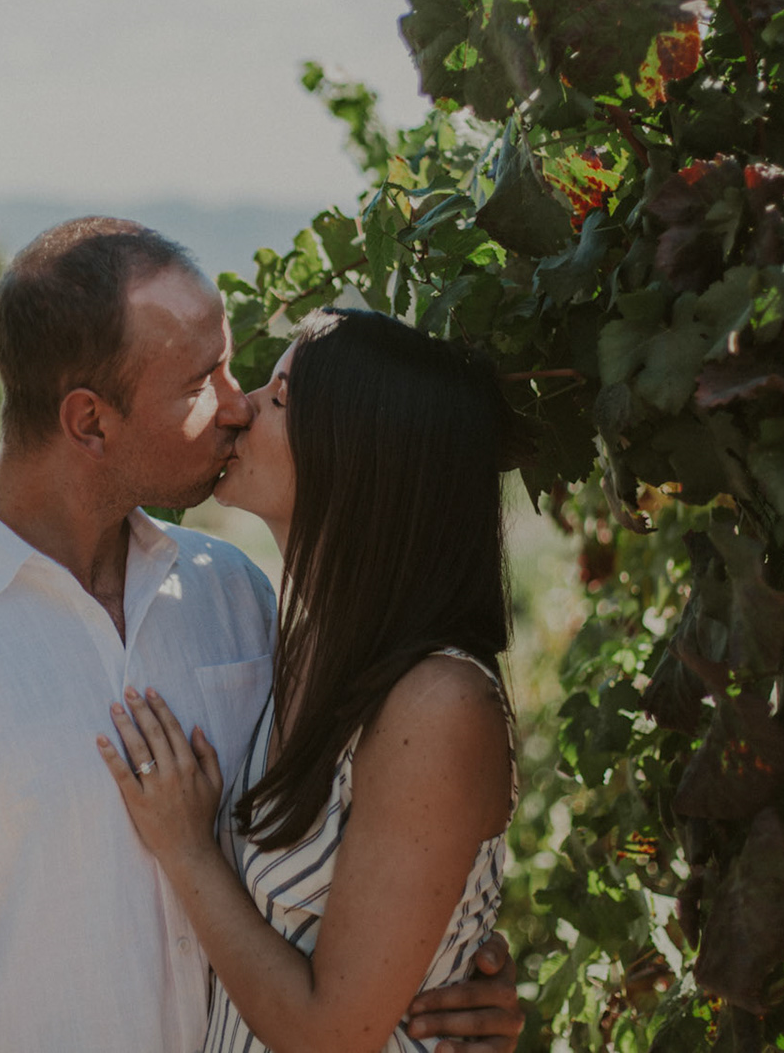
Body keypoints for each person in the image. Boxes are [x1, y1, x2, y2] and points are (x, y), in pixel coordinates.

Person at [0, 219, 524, 1052]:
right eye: (205, 381)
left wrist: (443, 964)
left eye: (246, 375)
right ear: (89, 422)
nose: (236, 406)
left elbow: (359, 896)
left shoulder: (232, 595)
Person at [97, 307, 518, 1053]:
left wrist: (187, 849)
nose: (238, 408)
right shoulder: (303, 647)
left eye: (280, 397)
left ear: (361, 454)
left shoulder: (439, 702)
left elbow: (333, 1034)